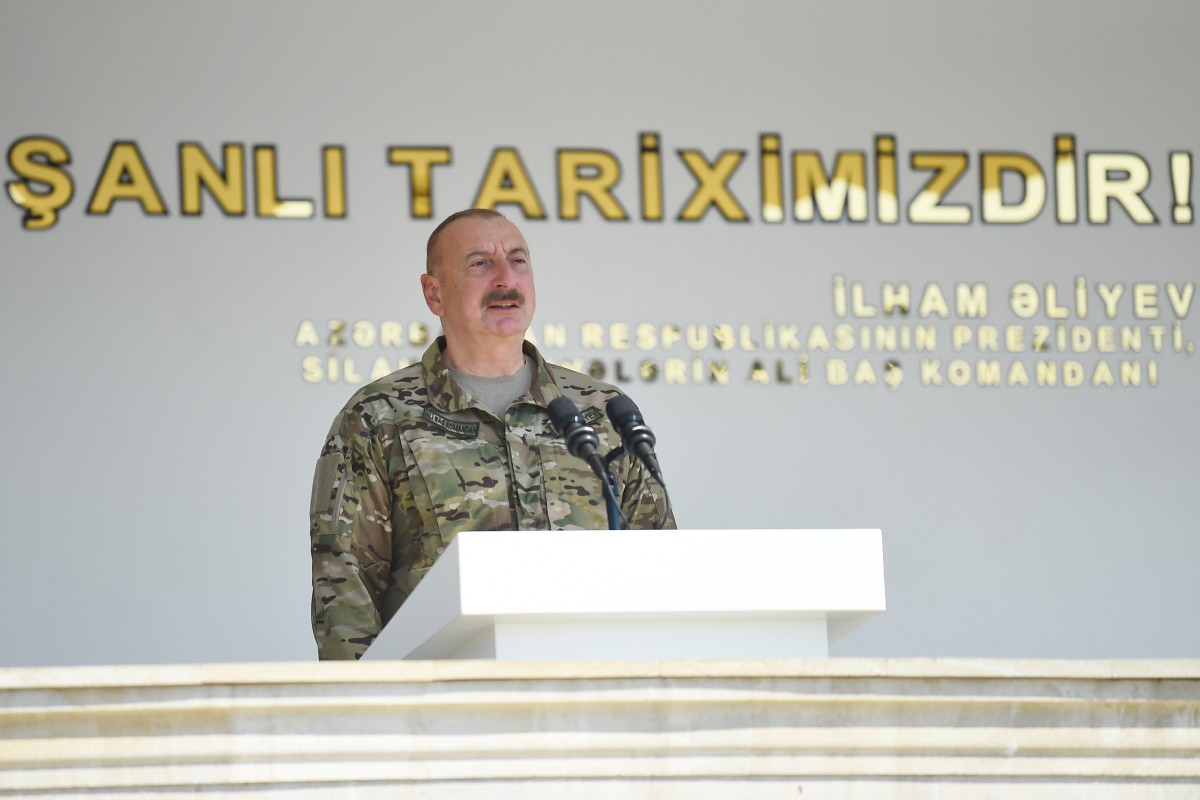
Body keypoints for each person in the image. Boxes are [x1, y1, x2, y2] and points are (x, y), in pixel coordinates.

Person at [309, 209, 675, 660]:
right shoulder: (379, 416)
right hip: (446, 692)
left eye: (518, 261)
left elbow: (661, 565)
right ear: (434, 293)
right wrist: (366, 699)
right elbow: (345, 590)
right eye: (480, 263)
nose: (506, 278)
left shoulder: (601, 411)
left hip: (593, 685)